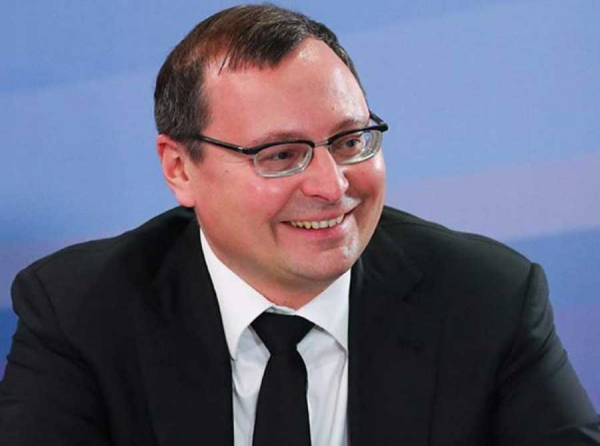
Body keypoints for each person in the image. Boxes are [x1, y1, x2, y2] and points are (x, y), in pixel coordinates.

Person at [0, 4, 598, 446]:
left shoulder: (487, 298)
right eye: (281, 155)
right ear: (180, 168)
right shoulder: (80, 311)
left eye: (350, 140)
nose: (332, 186)